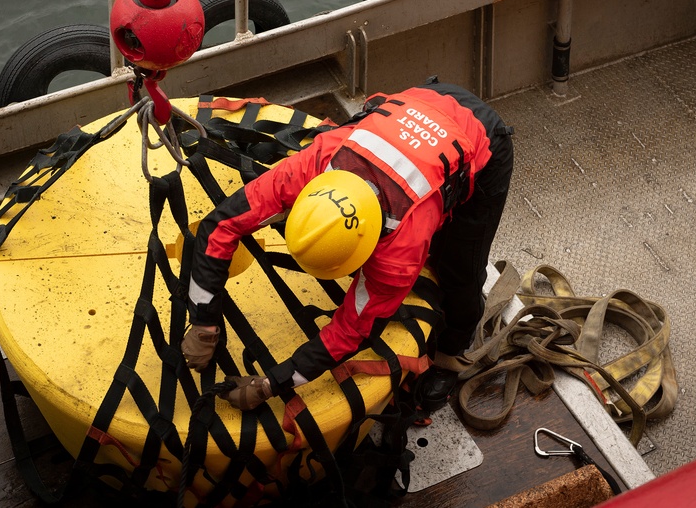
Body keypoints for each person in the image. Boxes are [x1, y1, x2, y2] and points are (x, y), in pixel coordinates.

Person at [182, 78, 513, 411]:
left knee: (459, 273)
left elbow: (350, 332)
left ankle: (449, 357)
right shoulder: (311, 164)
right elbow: (219, 226)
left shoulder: (398, 255)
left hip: (481, 138)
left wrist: (271, 385)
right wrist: (203, 321)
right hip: (424, 101)